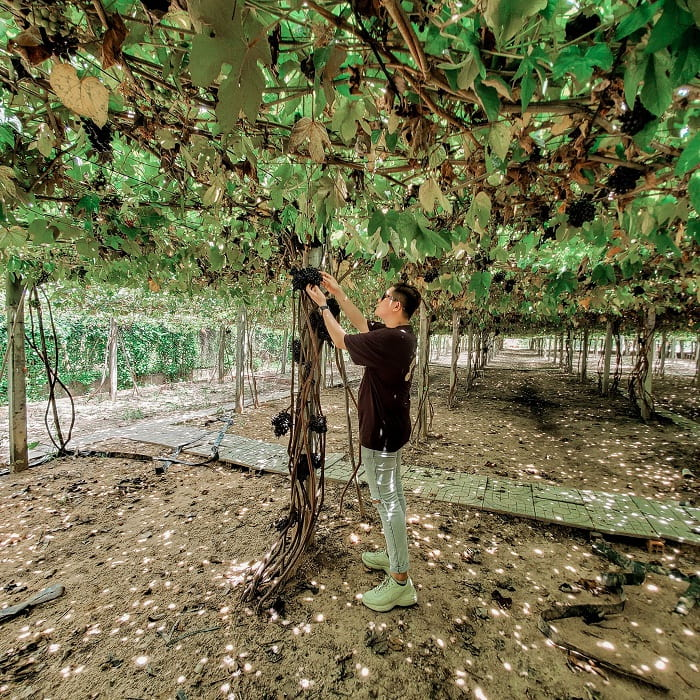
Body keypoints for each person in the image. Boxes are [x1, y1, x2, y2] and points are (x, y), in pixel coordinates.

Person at [306, 271, 422, 612]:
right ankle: (393, 556)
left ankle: (400, 581)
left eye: (384, 297)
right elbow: (362, 326)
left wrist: (324, 307)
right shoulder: (401, 335)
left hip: (382, 433)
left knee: (387, 502)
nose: (379, 301)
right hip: (393, 426)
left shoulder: (392, 341)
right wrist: (340, 295)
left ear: (395, 305)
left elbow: (342, 339)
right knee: (394, 497)